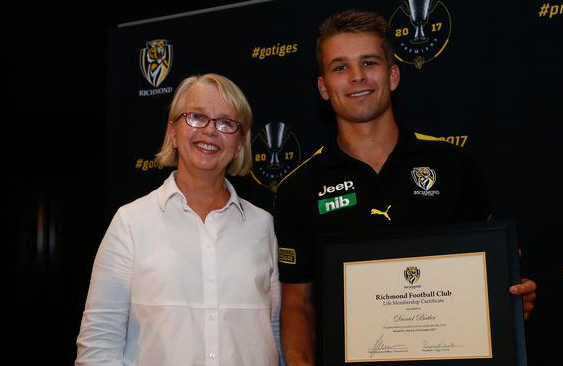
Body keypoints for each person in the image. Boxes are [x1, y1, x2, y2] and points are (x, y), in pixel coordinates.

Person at [273, 9, 537, 365]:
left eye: (369, 62)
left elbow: (485, 276)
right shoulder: (298, 188)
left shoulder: (454, 165)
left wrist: (507, 299)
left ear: (393, 75)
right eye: (340, 67)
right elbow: (297, 305)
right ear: (323, 87)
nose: (356, 77)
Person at [76, 73, 280, 365]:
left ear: (240, 143)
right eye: (196, 117)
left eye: (225, 123)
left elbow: (274, 334)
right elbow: (99, 343)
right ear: (172, 132)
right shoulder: (131, 223)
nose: (210, 130)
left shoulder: (262, 226)